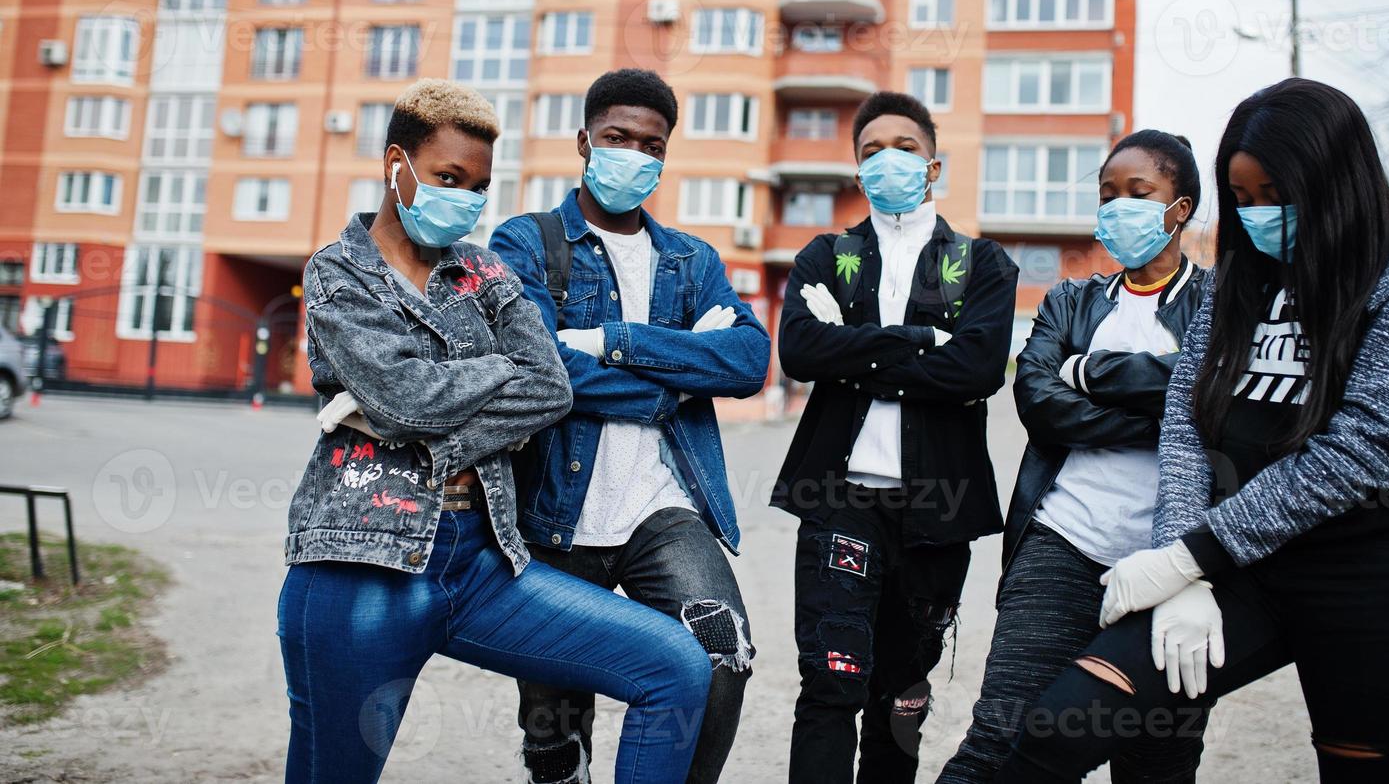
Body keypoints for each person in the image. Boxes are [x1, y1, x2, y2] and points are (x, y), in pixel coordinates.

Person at [995, 78, 1389, 782]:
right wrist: (1186, 568)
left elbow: (1363, 451)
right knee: (1051, 734)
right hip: (1243, 572)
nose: (1256, 216)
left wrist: (1190, 556)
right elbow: (1188, 426)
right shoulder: (1234, 282)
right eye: (1241, 199)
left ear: (1331, 176)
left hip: (1368, 581)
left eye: (1273, 194)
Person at [278, 79, 712, 784]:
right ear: (396, 165)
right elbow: (406, 400)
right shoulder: (339, 274)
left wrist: (421, 431)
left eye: (478, 186)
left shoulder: (480, 269)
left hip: (480, 564)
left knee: (675, 667)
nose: (466, 198)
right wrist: (473, 383)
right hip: (358, 573)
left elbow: (550, 388)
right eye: (448, 178)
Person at [491, 68, 771, 784]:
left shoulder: (691, 260)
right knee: (554, 732)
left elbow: (745, 362)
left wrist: (610, 340)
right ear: (584, 141)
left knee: (721, 654)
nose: (634, 155)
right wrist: (668, 385)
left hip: (661, 505)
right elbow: (538, 370)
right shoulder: (526, 242)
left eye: (652, 145)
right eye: (618, 138)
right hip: (552, 512)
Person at [938, 130, 1210, 783]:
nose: (1117, 207)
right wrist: (1161, 409)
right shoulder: (1070, 300)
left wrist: (1088, 374)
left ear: (1181, 207)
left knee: (1155, 763)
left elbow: (1212, 396)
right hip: (1062, 543)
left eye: (1137, 193)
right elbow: (1038, 401)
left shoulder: (1220, 304)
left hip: (1171, 561)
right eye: (1107, 194)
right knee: (997, 742)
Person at [772, 91, 1019, 784]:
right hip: (837, 501)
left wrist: (852, 347)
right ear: (856, 171)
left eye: (903, 148)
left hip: (936, 512)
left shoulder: (982, 264)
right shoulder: (828, 255)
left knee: (902, 697)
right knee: (830, 685)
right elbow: (799, 352)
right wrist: (917, 341)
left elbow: (976, 367)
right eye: (871, 150)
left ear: (933, 165)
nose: (888, 161)